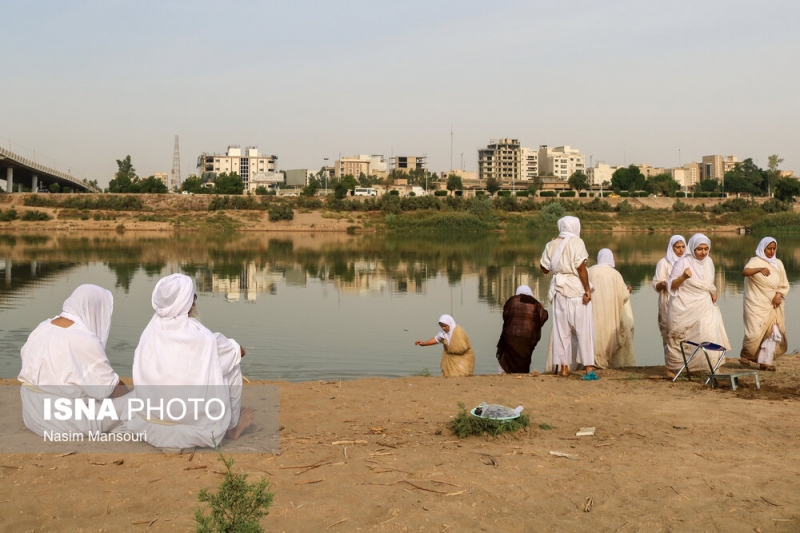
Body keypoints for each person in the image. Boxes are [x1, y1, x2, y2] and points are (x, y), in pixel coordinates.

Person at [126, 273, 253, 449]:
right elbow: (240, 351)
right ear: (188, 303)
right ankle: (232, 429)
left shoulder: (148, 333)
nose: (194, 302)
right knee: (232, 364)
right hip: (194, 430)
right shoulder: (204, 338)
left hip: (149, 425)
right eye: (193, 297)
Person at [18, 284, 129, 437]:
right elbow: (110, 388)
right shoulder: (82, 339)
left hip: (32, 415)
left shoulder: (42, 328)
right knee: (140, 402)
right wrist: (128, 396)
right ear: (92, 309)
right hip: (62, 422)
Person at [665, 234, 730, 378]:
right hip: (683, 307)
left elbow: (708, 284)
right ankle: (674, 367)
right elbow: (671, 286)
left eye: (706, 249)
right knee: (679, 336)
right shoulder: (682, 262)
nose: (703, 252)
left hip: (704, 305)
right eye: (699, 249)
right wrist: (683, 277)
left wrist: (713, 291)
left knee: (709, 333)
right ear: (692, 248)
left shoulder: (709, 262)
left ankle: (709, 367)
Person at [540, 216, 596, 379]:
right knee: (583, 329)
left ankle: (564, 368)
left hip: (558, 289)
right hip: (575, 288)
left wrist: (555, 251)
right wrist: (587, 289)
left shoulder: (551, 244)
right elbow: (581, 267)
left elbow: (544, 269)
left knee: (561, 330)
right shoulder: (577, 242)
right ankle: (588, 369)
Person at [740, 237, 789, 371]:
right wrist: (759, 269)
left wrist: (779, 295)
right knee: (754, 332)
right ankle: (746, 354)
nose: (772, 251)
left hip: (774, 305)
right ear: (763, 248)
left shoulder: (778, 263)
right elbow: (745, 272)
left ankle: (765, 362)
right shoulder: (755, 261)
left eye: (774, 248)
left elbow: (784, 284)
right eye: (769, 248)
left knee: (773, 332)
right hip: (756, 304)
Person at [588, 249, 635, 369]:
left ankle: (592, 361)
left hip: (593, 311)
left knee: (593, 333)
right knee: (607, 335)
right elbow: (623, 296)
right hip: (610, 313)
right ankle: (604, 362)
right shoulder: (615, 274)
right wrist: (628, 290)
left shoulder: (590, 271)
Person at [495, 285, 549, 374]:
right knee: (524, 359)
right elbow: (543, 317)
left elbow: (505, 315)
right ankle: (522, 374)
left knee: (506, 354)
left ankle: (503, 372)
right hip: (527, 340)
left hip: (510, 338)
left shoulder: (512, 300)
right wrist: (542, 308)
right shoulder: (536, 304)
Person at [652, 235, 686, 352]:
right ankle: (670, 361)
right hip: (667, 300)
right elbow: (656, 283)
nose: (681, 250)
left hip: (684, 301)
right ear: (672, 248)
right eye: (677, 247)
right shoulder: (664, 263)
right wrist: (663, 284)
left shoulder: (688, 262)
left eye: (683, 247)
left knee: (684, 331)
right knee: (668, 331)